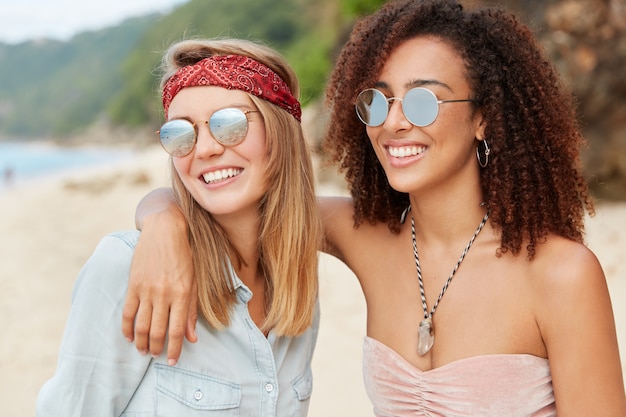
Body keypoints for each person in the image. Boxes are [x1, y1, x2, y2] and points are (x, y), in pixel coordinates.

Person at [123, 0, 626, 415]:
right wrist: (162, 220)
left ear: (484, 118)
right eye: (379, 102)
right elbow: (238, 200)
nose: (395, 123)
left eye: (424, 102)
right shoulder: (364, 237)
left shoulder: (561, 274)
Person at [36, 38, 323, 417]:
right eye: (180, 134)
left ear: (280, 131)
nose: (203, 149)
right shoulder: (129, 267)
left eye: (229, 123)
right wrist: (161, 216)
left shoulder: (297, 287)